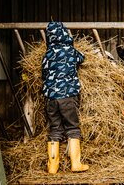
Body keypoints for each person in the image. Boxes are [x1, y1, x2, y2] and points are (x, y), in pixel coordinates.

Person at [42, 21, 89, 174]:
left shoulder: (47, 54)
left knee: (55, 129)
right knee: (72, 127)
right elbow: (82, 58)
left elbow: (44, 73)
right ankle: (75, 164)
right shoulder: (70, 50)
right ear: (65, 34)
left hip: (51, 98)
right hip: (67, 96)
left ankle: (52, 166)